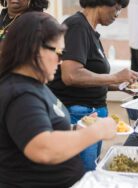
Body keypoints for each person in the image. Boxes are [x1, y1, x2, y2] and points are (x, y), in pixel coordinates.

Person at [0, 11, 116, 187]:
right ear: (35, 49)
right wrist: (96, 131)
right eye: (59, 52)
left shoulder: (34, 85)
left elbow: (37, 129)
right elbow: (43, 149)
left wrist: (76, 128)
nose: (62, 61)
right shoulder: (21, 94)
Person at [48, 0, 138, 171]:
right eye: (116, 7)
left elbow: (90, 76)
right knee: (83, 176)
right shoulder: (77, 26)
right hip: (78, 114)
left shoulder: (89, 30)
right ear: (102, 0)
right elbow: (71, 75)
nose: (117, 13)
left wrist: (120, 85)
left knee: (90, 171)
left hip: (92, 114)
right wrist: (115, 76)